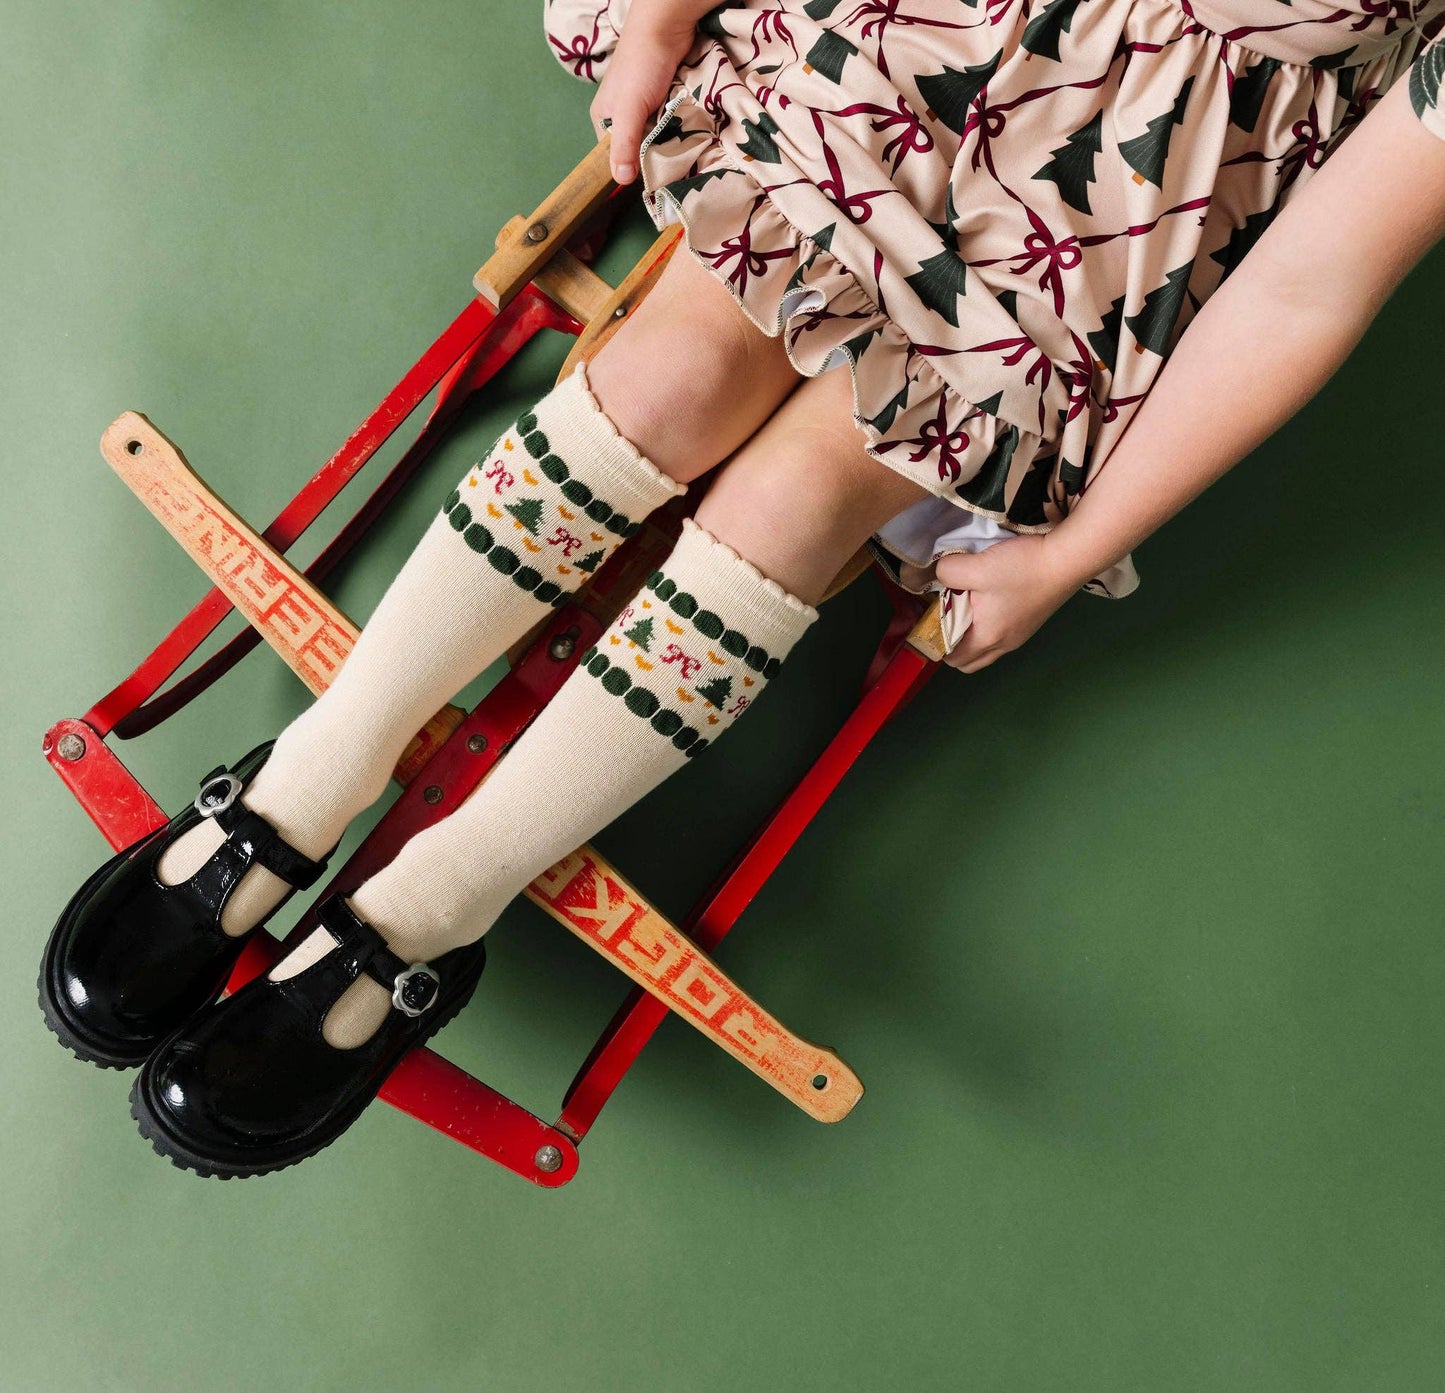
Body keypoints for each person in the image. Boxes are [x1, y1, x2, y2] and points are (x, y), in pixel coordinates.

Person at [39, 0, 1445, 1178]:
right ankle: (312, 769)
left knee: (807, 496)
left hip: (1103, 235)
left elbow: (1316, 277)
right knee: (672, 370)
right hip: (904, 51)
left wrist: (1072, 551)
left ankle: (436, 901)